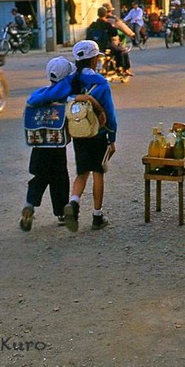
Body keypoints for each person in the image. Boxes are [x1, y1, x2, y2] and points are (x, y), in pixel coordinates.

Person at [29, 40, 118, 232]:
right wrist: (112, 138)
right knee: (98, 173)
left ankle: (74, 203)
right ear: (94, 59)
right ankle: (97, 216)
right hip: (98, 134)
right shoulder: (101, 83)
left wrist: (73, 98)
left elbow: (42, 98)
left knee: (81, 173)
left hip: (78, 135)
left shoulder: (70, 81)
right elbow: (110, 115)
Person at [20, 57, 77, 231]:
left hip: (38, 145)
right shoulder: (65, 97)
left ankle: (30, 205)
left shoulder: (40, 95)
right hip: (57, 145)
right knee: (59, 178)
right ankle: (61, 213)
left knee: (39, 177)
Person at [87, 6, 132, 76]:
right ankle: (120, 67)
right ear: (106, 14)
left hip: (93, 47)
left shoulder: (93, 25)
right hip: (105, 46)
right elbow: (115, 33)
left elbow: (88, 35)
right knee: (122, 50)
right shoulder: (107, 24)